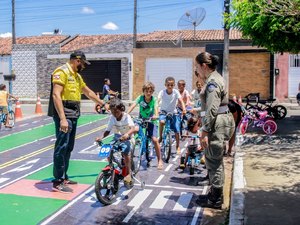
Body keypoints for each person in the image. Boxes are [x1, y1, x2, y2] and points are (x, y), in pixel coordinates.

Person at [48, 50, 105, 193]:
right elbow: (56, 95)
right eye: (83, 64)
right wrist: (62, 118)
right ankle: (58, 181)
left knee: (68, 147)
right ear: (77, 60)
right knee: (61, 146)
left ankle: (64, 176)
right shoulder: (62, 72)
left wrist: (103, 103)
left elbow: (88, 92)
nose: (84, 66)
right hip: (65, 113)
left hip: (73, 114)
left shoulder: (77, 76)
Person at [195, 52, 235, 209]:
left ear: (204, 66)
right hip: (218, 121)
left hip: (216, 124)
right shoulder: (215, 79)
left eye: (197, 66)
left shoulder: (212, 82)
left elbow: (212, 108)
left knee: (214, 160)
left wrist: (205, 130)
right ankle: (215, 192)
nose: (197, 70)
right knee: (214, 159)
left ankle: (216, 199)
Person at [96, 98, 138, 187]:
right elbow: (107, 131)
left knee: (126, 153)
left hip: (128, 138)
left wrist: (127, 135)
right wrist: (101, 138)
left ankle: (129, 173)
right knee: (107, 149)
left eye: (116, 111)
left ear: (121, 109)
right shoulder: (112, 118)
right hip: (117, 138)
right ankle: (111, 167)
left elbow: (133, 128)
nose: (115, 114)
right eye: (112, 112)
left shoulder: (127, 116)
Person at [127, 81, 164, 170]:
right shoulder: (140, 98)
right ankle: (130, 146)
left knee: (155, 140)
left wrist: (155, 116)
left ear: (152, 92)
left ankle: (160, 160)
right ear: (143, 91)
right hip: (141, 119)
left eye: (150, 91)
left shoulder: (154, 99)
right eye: (146, 91)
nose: (148, 93)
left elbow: (155, 108)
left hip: (151, 121)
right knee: (134, 129)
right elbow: (133, 105)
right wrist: (126, 114)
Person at [158, 77, 186, 155]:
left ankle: (177, 146)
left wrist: (184, 109)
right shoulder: (162, 92)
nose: (170, 86)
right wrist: (156, 109)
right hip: (163, 112)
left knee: (177, 130)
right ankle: (160, 136)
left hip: (173, 113)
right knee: (162, 122)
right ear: (165, 85)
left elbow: (181, 101)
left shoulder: (176, 92)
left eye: (171, 85)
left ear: (174, 85)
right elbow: (158, 100)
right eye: (168, 85)